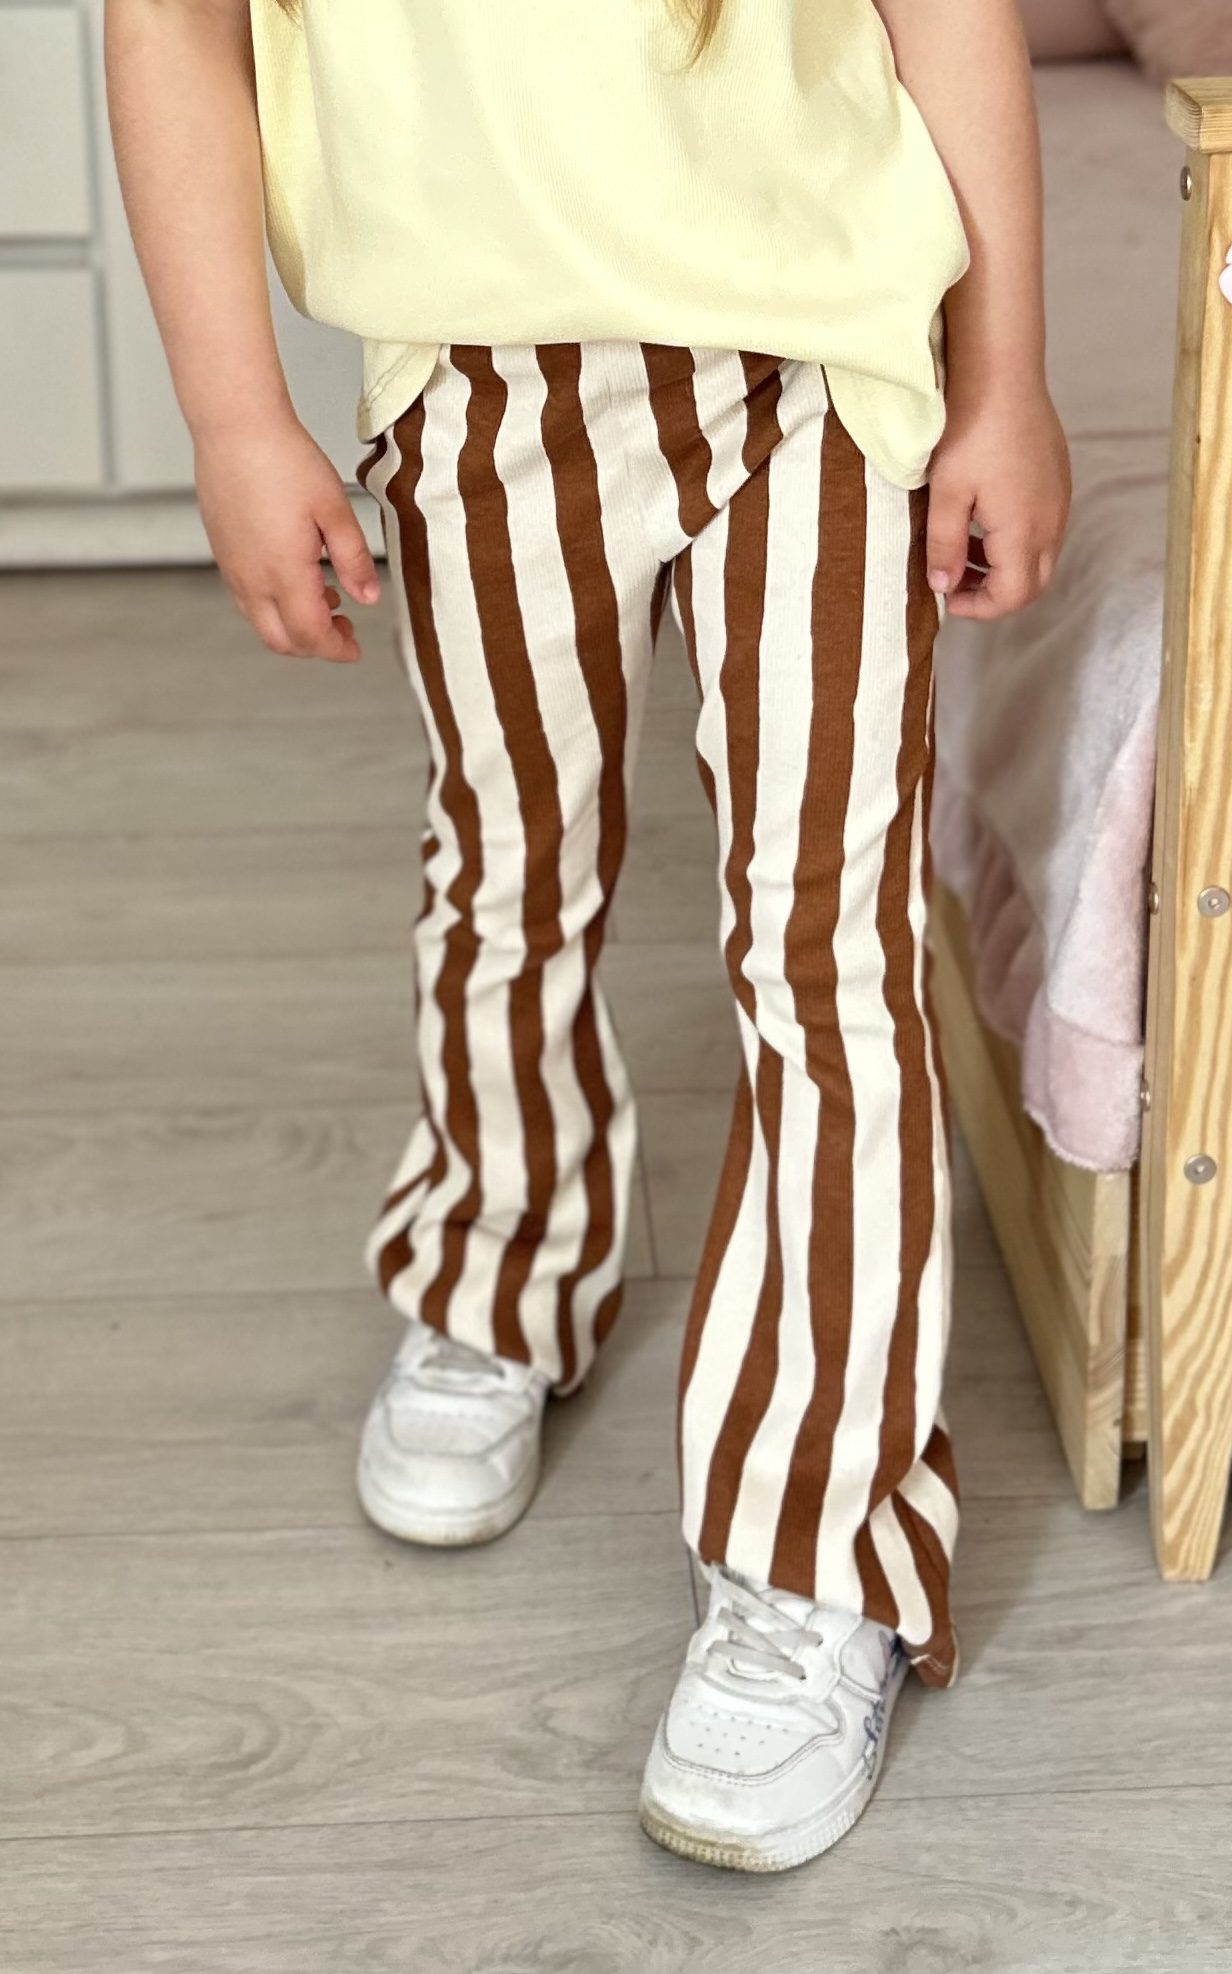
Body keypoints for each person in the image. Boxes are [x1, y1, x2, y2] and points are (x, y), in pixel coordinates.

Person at [106, 0, 1070, 1872]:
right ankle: (501, 1262)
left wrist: (1006, 374)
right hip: (474, 363)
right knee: (508, 862)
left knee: (830, 951)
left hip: (818, 354)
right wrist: (235, 412)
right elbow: (173, 27)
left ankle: (819, 1544)